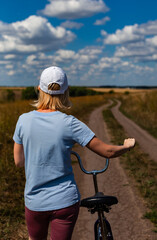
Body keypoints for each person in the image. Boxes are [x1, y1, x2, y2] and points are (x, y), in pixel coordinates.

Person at [13, 66, 135, 240]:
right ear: (66, 91)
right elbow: (107, 151)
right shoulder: (70, 123)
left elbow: (19, 161)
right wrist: (127, 146)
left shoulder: (23, 121)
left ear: (39, 88)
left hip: (35, 202)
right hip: (65, 201)